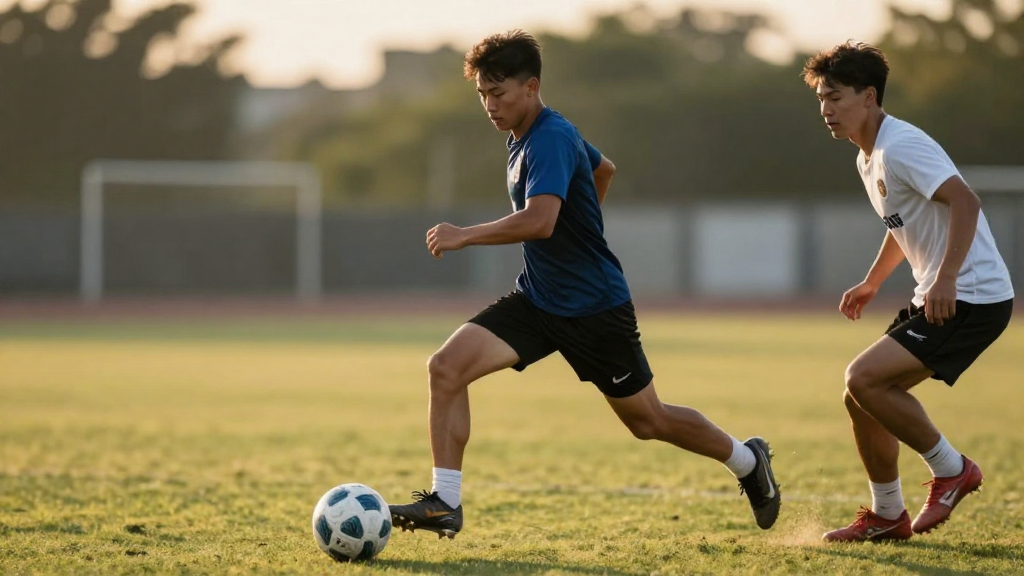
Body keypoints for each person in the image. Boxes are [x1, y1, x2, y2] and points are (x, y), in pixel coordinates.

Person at [387, 30, 781, 540]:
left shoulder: (549, 137)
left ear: (531, 87)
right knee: (445, 368)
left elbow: (540, 221)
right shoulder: (526, 136)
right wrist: (584, 222)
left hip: (594, 308)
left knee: (649, 421)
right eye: (482, 94)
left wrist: (466, 235)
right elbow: (604, 170)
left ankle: (748, 461)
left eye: (498, 93)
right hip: (538, 299)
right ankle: (445, 502)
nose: (489, 105)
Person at [802, 41, 1014, 542]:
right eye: (821, 99)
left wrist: (945, 277)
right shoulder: (868, 157)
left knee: (864, 378)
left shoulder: (900, 145)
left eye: (836, 97)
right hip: (944, 293)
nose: (827, 109)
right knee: (861, 397)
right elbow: (902, 225)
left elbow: (965, 201)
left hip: (971, 295)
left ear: (869, 96)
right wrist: (873, 281)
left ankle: (952, 469)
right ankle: (887, 515)